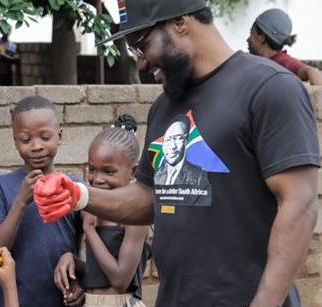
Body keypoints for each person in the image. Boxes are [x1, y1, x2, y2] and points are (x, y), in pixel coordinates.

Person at [33, 1, 319, 306]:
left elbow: (299, 204)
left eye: (141, 45)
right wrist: (79, 195)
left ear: (181, 22)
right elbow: (148, 197)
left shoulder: (269, 88)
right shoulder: (165, 107)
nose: (140, 63)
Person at [0, 96, 84, 307]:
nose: (36, 146)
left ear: (60, 136)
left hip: (65, 299)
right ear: (15, 142)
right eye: (26, 140)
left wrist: (81, 281)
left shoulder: (74, 187)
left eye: (45, 137)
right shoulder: (1, 187)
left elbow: (87, 243)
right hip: (19, 300)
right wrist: (21, 201)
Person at [54, 115, 150, 307]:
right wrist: (71, 261)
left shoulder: (135, 217)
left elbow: (120, 280)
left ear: (133, 172)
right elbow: (98, 273)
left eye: (108, 171)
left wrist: (89, 230)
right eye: (92, 169)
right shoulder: (91, 210)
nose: (97, 179)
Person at [247, 8, 322, 86]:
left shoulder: (284, 62)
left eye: (251, 34)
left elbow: (313, 72)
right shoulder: (254, 59)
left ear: (262, 38)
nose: (247, 39)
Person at [153, 114, 208, 186]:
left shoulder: (198, 176)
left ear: (186, 141)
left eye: (178, 138)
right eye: (168, 139)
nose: (172, 146)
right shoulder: (157, 175)